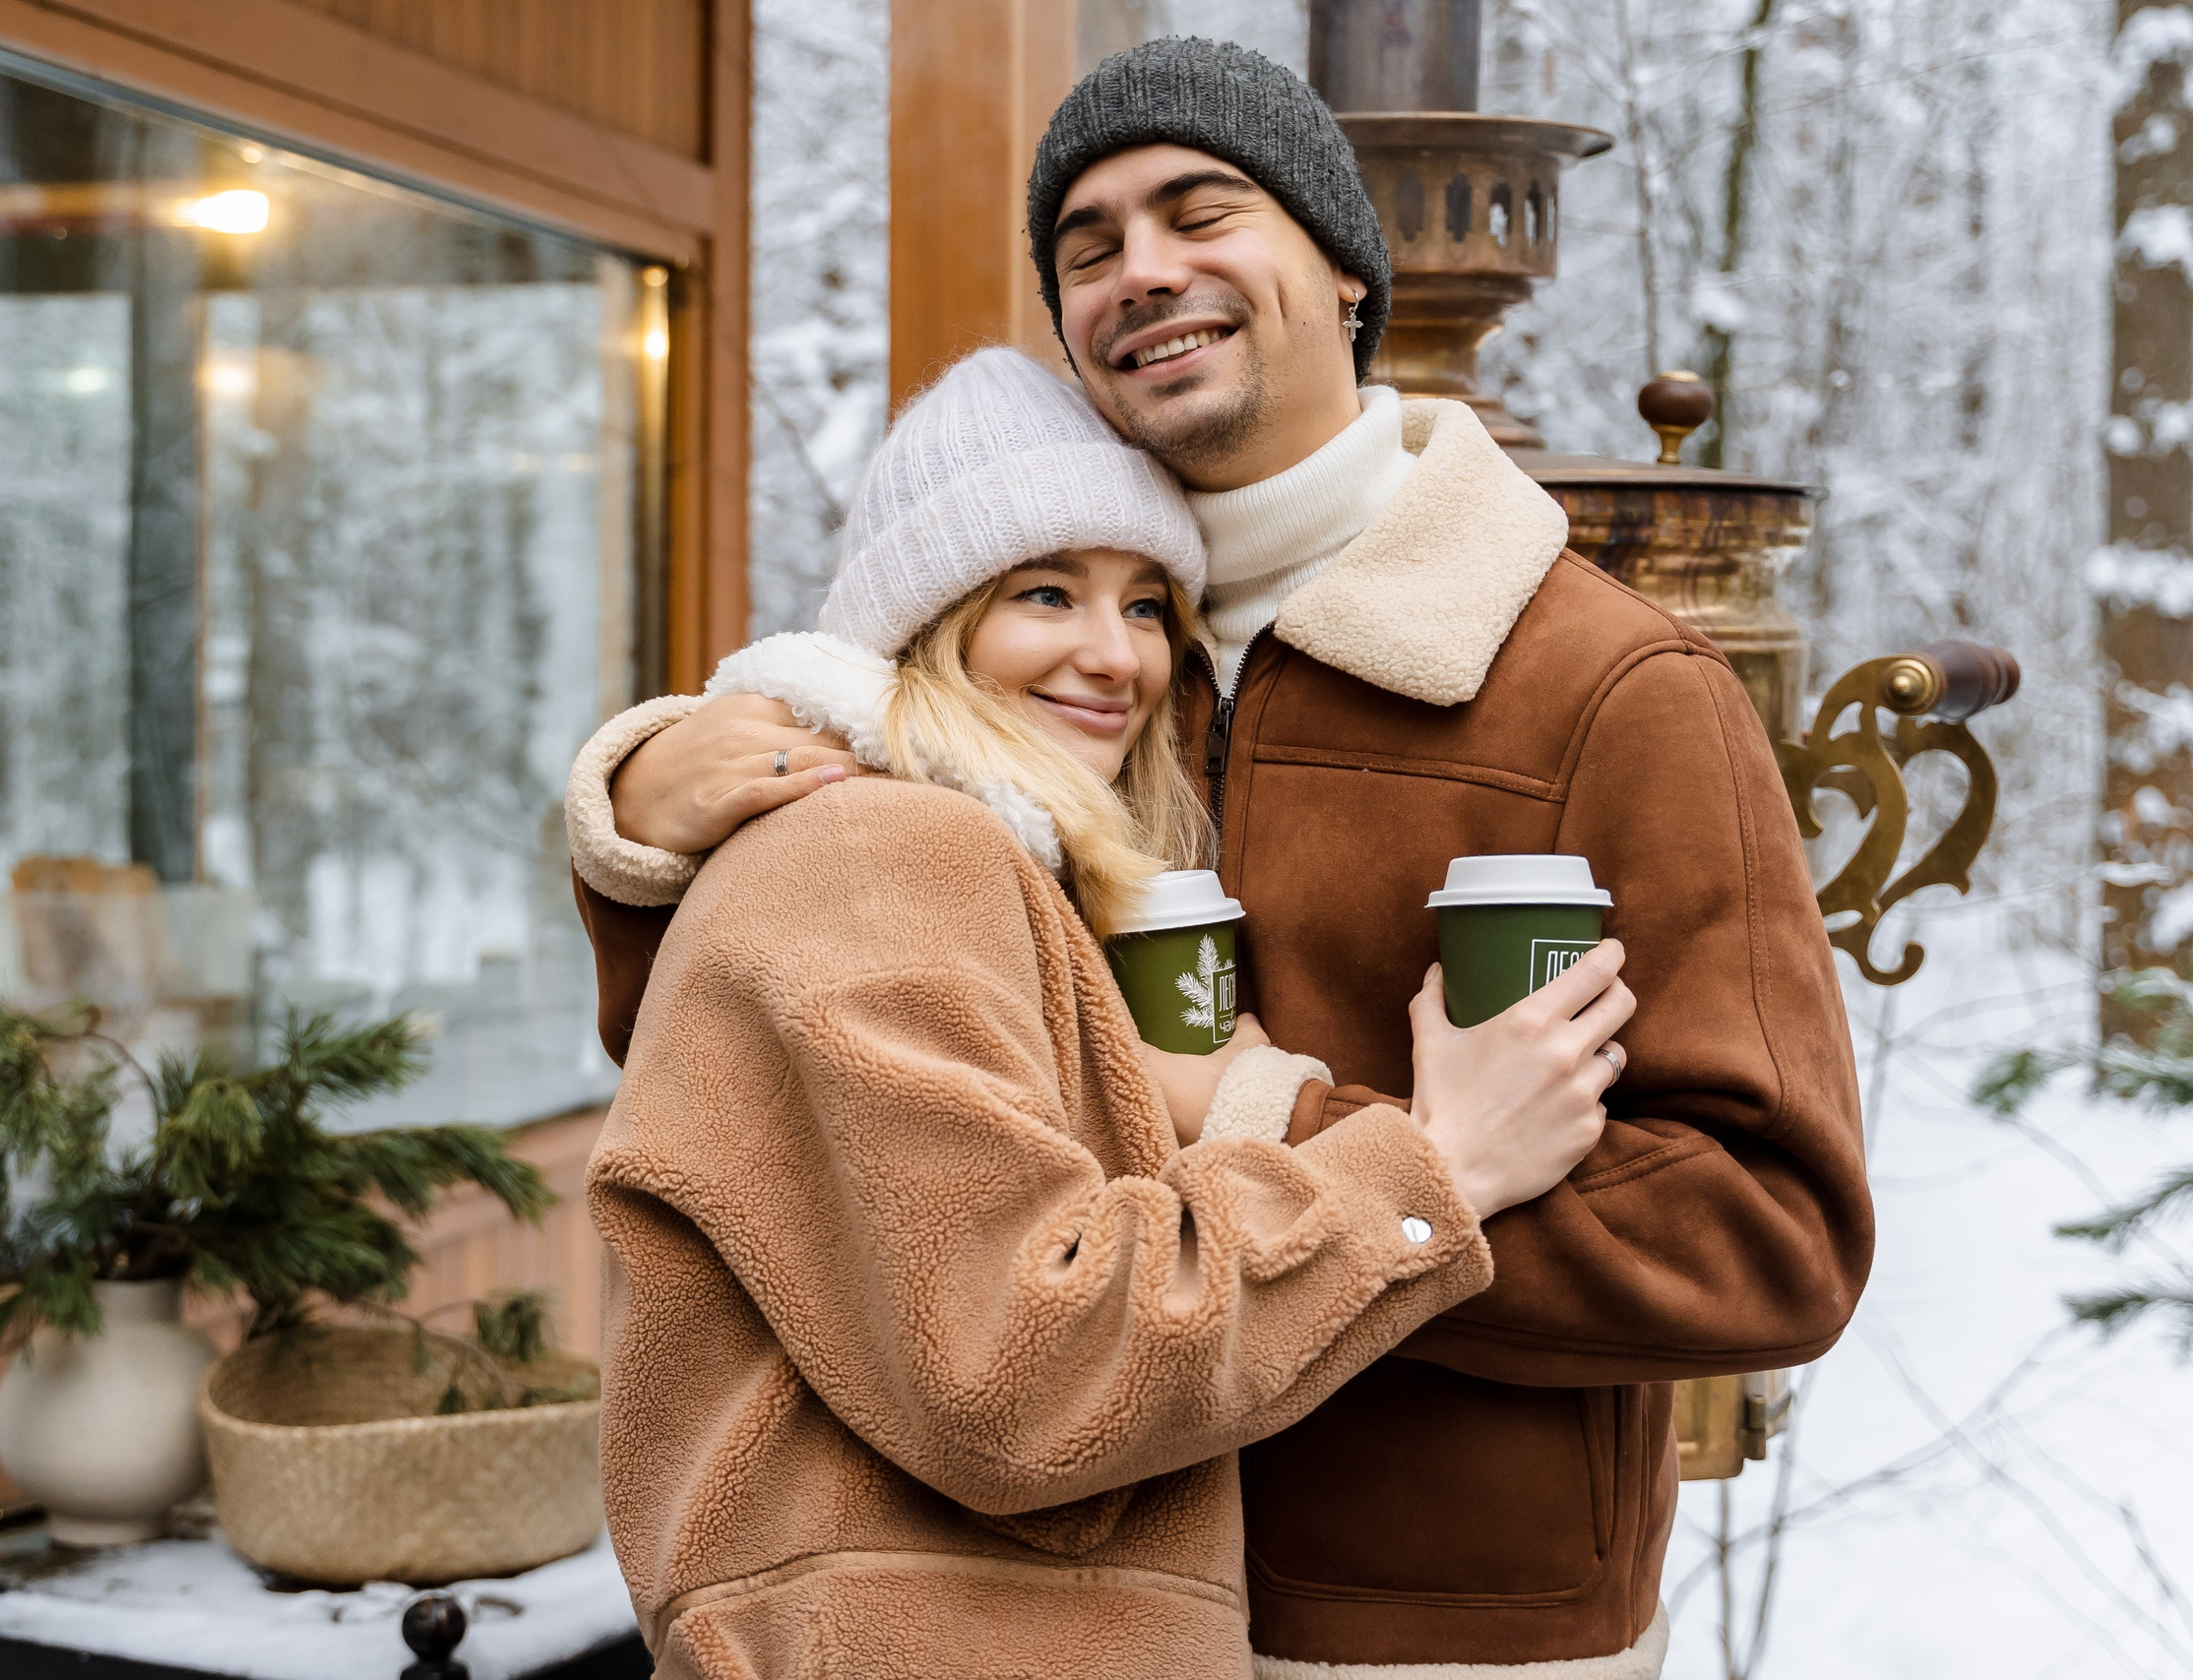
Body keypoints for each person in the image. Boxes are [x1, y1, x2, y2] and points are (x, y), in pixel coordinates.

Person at [567, 38, 1875, 1680]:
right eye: (1090, 246)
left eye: (1203, 211)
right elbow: (782, 1087)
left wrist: (1297, 1126)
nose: (1144, 272)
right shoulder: (1078, 679)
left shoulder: (1605, 689)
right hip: (1030, 1619)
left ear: (1344, 273)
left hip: (1432, 1643)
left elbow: (1772, 1238)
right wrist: (647, 826)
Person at [582, 344, 1636, 1678]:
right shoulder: (889, 856)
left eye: (1149, 606)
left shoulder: (951, 862)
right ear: (926, 618)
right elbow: (1024, 1372)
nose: (1113, 654)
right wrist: (1436, 1174)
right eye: (1044, 592)